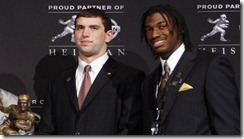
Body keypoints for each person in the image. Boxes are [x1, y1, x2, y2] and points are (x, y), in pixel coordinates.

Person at [35, 8, 145, 135]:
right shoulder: (58, 81)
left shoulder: (129, 78)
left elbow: (129, 131)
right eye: (80, 28)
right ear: (74, 34)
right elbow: (47, 130)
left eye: (94, 28)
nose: (85, 34)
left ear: (109, 35)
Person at [140, 4, 240, 135]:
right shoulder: (150, 81)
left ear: (179, 28)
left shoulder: (209, 65)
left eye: (162, 26)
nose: (154, 34)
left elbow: (228, 128)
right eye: (148, 29)